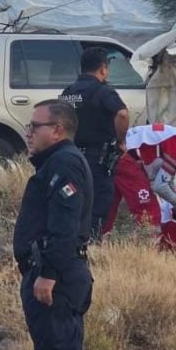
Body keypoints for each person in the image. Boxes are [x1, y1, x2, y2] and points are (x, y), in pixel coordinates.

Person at [13, 99, 94, 350]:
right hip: (52, 274)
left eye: (36, 126)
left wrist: (47, 274)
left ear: (58, 130)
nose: (28, 132)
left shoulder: (65, 163)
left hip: (56, 280)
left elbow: (65, 224)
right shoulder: (55, 163)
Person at [102, 124, 176, 234]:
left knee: (108, 204)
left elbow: (167, 180)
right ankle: (147, 251)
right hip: (128, 159)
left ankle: (96, 240)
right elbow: (159, 185)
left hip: (120, 155)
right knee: (150, 213)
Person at [60, 47, 129, 239]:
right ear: (103, 68)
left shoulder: (68, 92)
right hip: (97, 159)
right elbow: (122, 114)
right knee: (97, 202)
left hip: (70, 155)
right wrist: (122, 141)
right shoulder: (103, 91)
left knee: (71, 199)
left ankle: (71, 239)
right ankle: (90, 242)